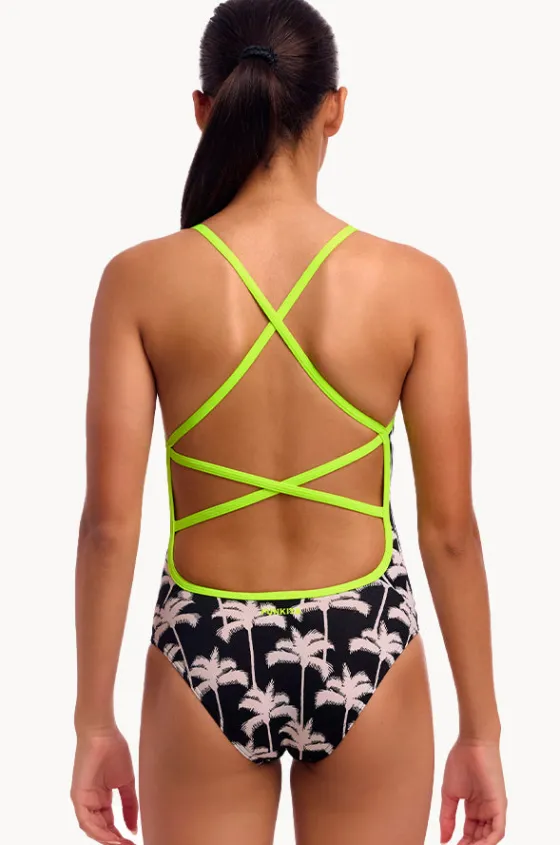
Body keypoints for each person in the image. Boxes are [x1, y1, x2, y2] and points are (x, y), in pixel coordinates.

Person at [71, 1, 507, 843]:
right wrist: (481, 732)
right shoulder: (416, 285)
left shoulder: (138, 281)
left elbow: (107, 526)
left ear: (205, 109)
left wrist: (94, 722)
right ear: (335, 109)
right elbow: (451, 531)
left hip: (202, 643)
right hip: (367, 640)